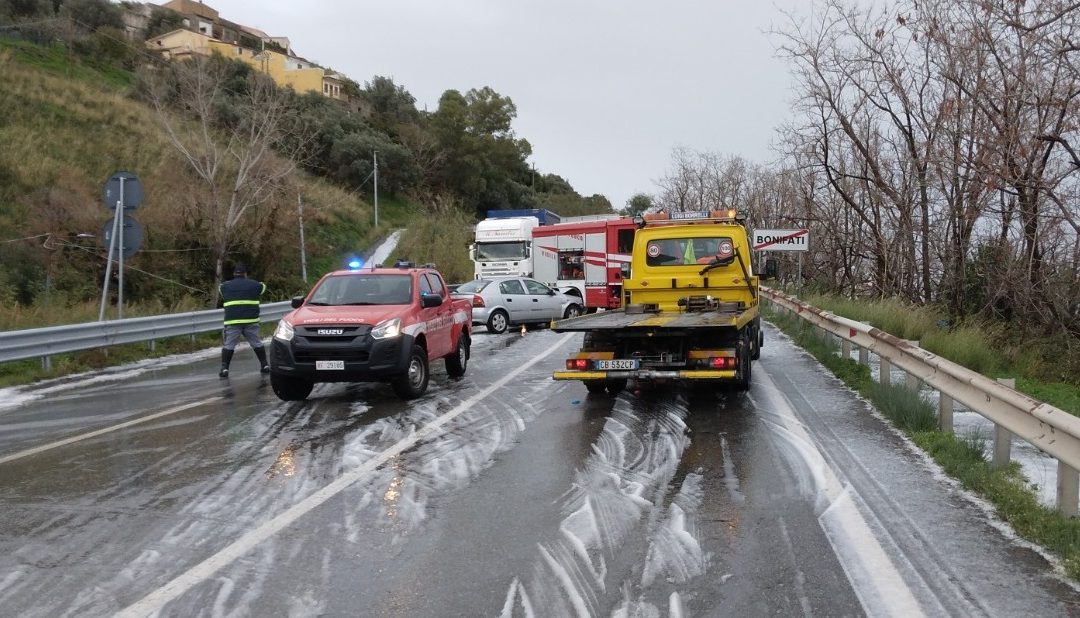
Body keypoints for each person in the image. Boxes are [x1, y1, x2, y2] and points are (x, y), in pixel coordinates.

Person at [218, 264, 269, 378]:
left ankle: (224, 368)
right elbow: (263, 287)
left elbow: (221, 289)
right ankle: (264, 365)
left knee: (229, 345)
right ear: (245, 274)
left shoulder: (224, 286)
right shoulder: (256, 285)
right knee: (256, 343)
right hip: (251, 320)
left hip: (233, 321)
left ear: (234, 274)